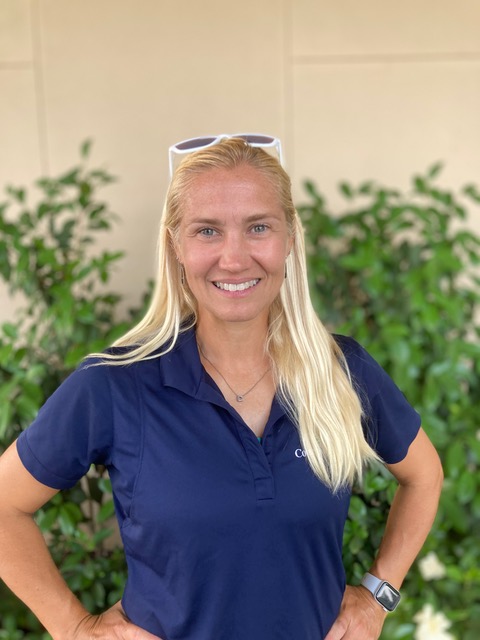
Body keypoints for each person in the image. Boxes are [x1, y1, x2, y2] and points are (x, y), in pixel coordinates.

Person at [0, 134, 443, 640]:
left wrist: (378, 596)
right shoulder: (114, 386)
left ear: (289, 237)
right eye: (207, 230)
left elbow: (424, 475)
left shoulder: (340, 370)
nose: (234, 259)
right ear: (176, 245)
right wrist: (76, 627)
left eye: (258, 227)